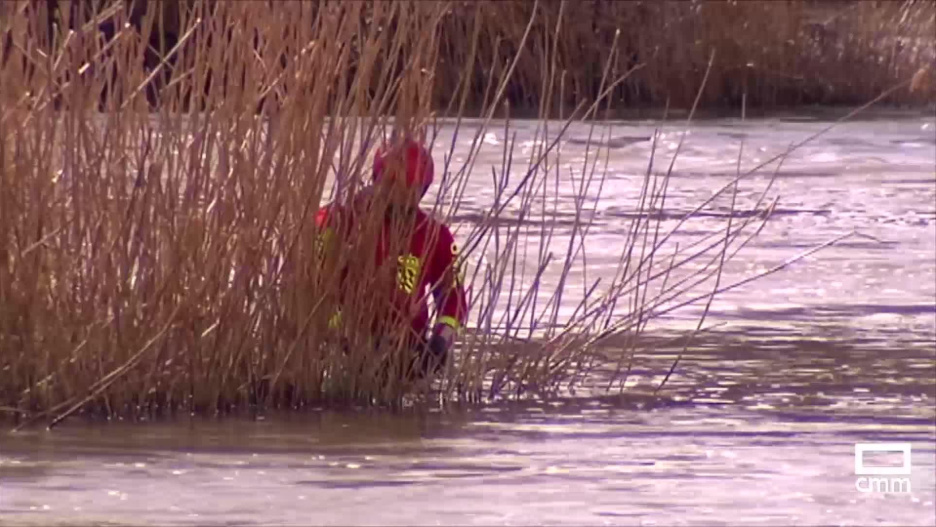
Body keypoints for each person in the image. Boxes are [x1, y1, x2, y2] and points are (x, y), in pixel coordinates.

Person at [314, 138, 468, 376]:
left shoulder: (437, 236)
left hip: (405, 353)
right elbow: (311, 286)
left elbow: (454, 300)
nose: (401, 198)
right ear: (377, 180)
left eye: (412, 190)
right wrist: (340, 336)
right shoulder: (335, 221)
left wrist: (439, 343)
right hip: (339, 350)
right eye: (393, 187)